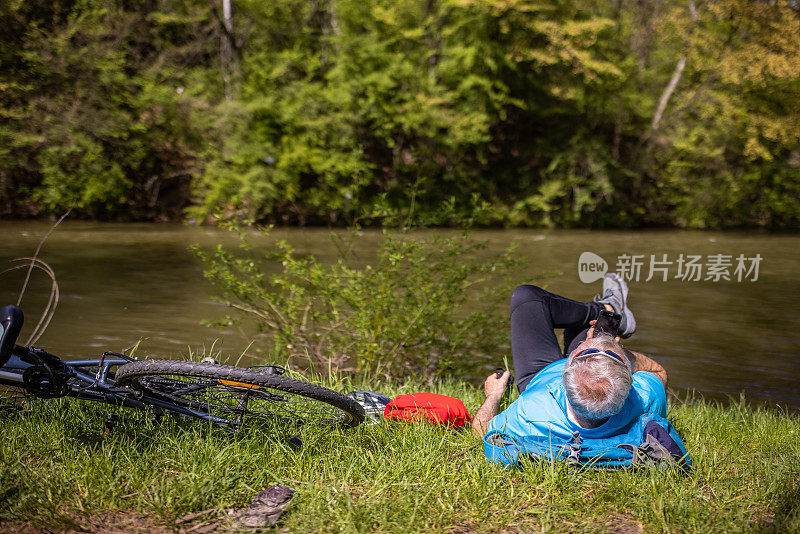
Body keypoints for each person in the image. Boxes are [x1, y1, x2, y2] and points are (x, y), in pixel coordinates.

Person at [472, 273, 669, 449]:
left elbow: (482, 431)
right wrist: (617, 354)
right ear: (627, 384)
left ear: (565, 373)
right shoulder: (642, 401)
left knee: (527, 297)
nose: (588, 343)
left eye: (585, 349)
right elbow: (658, 372)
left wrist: (493, 395)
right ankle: (609, 309)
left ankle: (604, 308)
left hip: (539, 377)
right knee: (591, 327)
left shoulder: (532, 410)